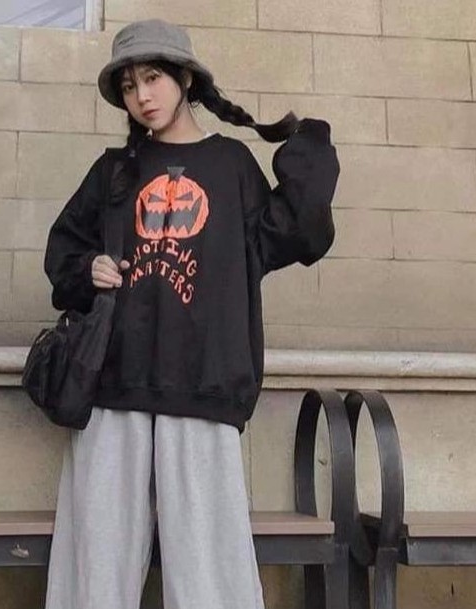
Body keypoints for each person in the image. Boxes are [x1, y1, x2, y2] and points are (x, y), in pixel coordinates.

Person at [43, 18, 339, 609]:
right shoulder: (115, 171)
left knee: (209, 571)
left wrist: (309, 145)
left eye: (153, 78)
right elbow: (63, 253)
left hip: (203, 383)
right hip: (115, 384)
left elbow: (297, 233)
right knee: (96, 562)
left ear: (185, 79)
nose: (142, 96)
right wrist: (89, 268)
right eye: (129, 85)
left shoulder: (231, 166)